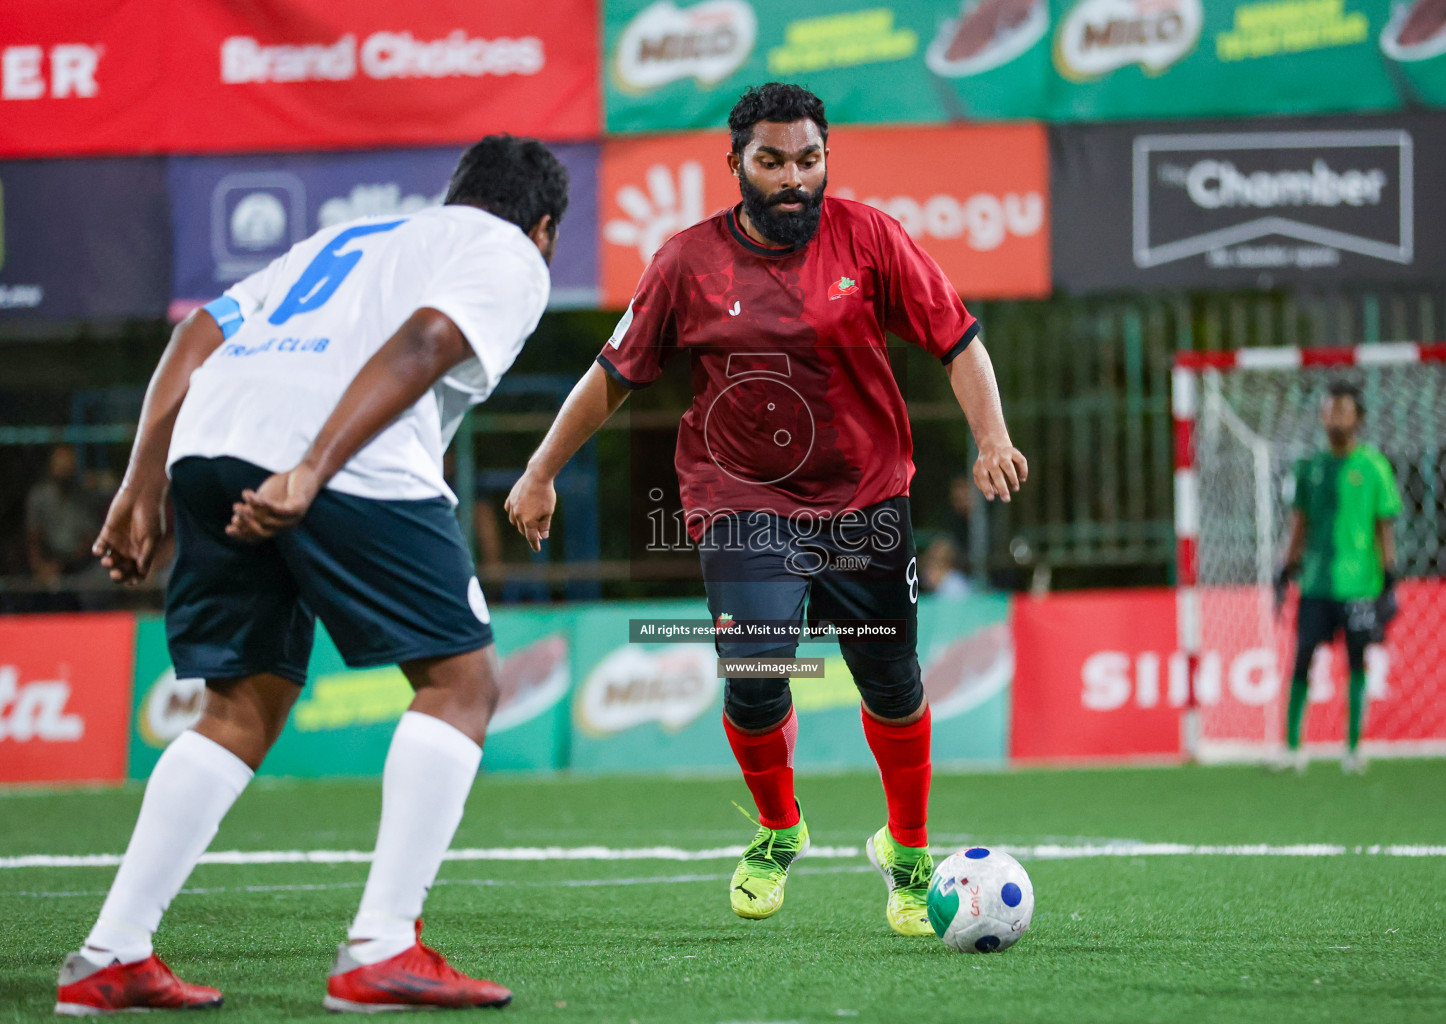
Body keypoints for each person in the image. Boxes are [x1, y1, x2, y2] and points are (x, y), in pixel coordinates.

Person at [57, 135, 568, 1015]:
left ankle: (112, 952)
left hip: (208, 446)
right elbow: (430, 340)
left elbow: (198, 332)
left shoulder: (348, 240)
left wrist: (140, 485)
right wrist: (311, 467)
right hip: (335, 456)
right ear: (547, 227)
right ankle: (382, 947)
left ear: (453, 192)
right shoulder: (509, 250)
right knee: (462, 682)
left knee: (241, 704)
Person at [506, 83, 1027, 936]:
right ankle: (780, 830)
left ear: (827, 160)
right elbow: (612, 375)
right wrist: (539, 471)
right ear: (737, 165)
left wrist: (992, 437)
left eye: (809, 160)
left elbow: (957, 338)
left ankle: (907, 852)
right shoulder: (686, 263)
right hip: (741, 500)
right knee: (754, 682)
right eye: (773, 161)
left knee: (893, 687)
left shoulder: (872, 238)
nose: (793, 178)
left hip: (867, 497)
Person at [1273, 380, 1401, 775]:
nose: (1336, 418)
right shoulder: (1309, 468)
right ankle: (1292, 747)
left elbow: (1384, 527)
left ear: (1358, 418)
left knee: (1357, 660)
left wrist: (1390, 579)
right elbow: (1299, 523)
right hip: (1315, 583)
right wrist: (1285, 568)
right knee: (1302, 658)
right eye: (1330, 410)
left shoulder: (1374, 466)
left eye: (1343, 411)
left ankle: (1353, 748)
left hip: (1361, 583)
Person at [25, 445, 103, 604]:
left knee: (98, 583)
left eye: (67, 467)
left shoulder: (83, 497)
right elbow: (33, 539)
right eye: (59, 466)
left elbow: (89, 541)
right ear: (51, 468)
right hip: (48, 561)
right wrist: (41, 566)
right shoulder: (39, 496)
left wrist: (63, 566)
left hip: (80, 565)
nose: (63, 471)